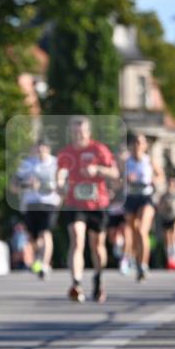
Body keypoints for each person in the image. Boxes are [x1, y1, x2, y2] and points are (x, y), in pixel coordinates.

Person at [57, 116, 119, 303]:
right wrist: (60, 183)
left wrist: (98, 170)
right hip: (74, 203)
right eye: (75, 132)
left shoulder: (99, 149)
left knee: (97, 246)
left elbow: (115, 173)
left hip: (97, 203)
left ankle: (98, 279)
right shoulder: (66, 153)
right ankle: (76, 283)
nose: (78, 136)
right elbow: (60, 172)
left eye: (81, 132)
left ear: (88, 133)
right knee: (77, 239)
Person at [12, 139, 59, 279]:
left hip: (49, 203)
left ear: (48, 149)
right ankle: (38, 259)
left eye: (42, 149)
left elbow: (62, 184)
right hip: (31, 203)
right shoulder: (27, 164)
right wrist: (28, 184)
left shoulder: (56, 163)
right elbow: (14, 185)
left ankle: (44, 264)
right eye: (37, 149)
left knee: (46, 232)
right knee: (33, 238)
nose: (39, 152)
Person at [123, 134, 164, 281]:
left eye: (140, 143)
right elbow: (117, 179)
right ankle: (134, 258)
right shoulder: (126, 162)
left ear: (145, 145)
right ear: (131, 145)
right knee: (133, 232)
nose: (137, 145)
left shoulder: (149, 161)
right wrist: (126, 179)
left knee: (142, 230)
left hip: (146, 197)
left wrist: (154, 180)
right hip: (130, 198)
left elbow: (161, 176)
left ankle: (143, 265)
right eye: (135, 142)